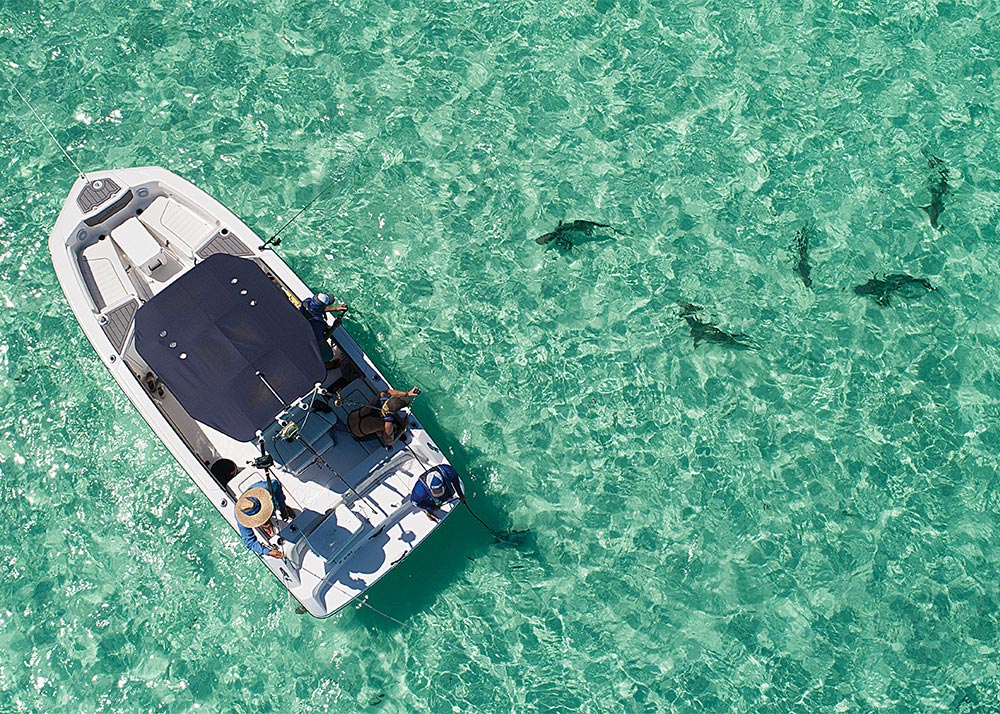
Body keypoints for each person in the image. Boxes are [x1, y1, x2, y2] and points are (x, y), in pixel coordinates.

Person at [347, 387, 420, 446]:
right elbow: (389, 442)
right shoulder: (387, 424)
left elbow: (389, 391)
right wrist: (403, 427)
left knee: (374, 421)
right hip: (357, 435)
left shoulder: (381, 395)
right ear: (394, 412)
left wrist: (407, 393)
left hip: (350, 418)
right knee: (381, 433)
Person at [234, 481, 289, 558]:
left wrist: (282, 506)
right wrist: (268, 552)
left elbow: (277, 483)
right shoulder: (240, 518)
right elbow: (250, 542)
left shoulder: (267, 487)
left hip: (273, 504)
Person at [300, 293, 348, 368]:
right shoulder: (316, 325)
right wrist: (334, 327)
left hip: (300, 331)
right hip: (307, 342)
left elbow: (317, 309)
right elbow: (320, 343)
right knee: (328, 354)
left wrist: (335, 308)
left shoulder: (307, 303)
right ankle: (327, 365)